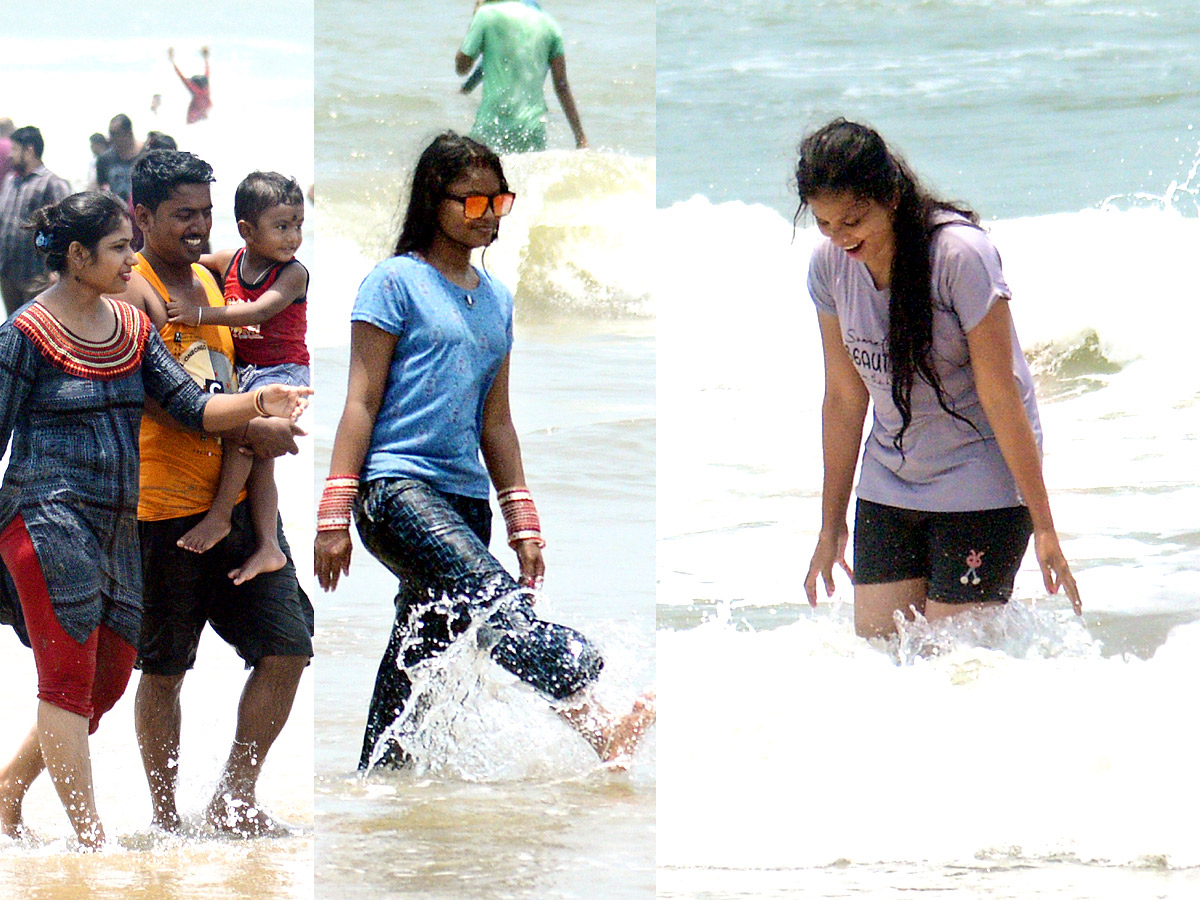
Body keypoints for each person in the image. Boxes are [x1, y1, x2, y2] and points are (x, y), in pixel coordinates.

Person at [315, 132, 652, 772]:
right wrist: (334, 514)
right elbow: (360, 402)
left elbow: (496, 421)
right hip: (397, 493)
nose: (490, 214)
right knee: (495, 604)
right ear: (434, 202)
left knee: (417, 667)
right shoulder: (393, 283)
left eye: (499, 200)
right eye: (473, 202)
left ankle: (377, 785)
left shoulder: (496, 298)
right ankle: (598, 719)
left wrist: (523, 520)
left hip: (467, 504)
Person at [0, 191, 309, 849]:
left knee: (108, 680)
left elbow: (193, 409)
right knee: (65, 681)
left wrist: (259, 401)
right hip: (42, 521)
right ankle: (91, 844)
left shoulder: (132, 328)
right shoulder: (24, 335)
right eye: (117, 247)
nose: (130, 258)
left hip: (115, 527)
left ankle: (5, 791)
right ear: (77, 256)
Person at [796, 119, 1082, 639]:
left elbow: (1002, 391)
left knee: (958, 673)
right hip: (889, 487)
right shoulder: (828, 268)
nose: (840, 238)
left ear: (890, 196)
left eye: (853, 220)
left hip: (981, 488)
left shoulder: (959, 256)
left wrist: (1044, 524)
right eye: (824, 223)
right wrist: (830, 522)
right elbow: (843, 398)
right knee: (881, 670)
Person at [121, 150, 315, 835]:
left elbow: (235, 355)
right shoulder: (134, 291)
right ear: (142, 217)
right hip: (163, 511)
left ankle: (235, 801)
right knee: (166, 669)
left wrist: (258, 423)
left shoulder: (210, 278)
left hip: (229, 500)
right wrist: (258, 417)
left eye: (206, 212)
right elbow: (171, 400)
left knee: (288, 644)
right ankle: (167, 817)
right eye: (183, 215)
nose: (200, 226)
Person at [164, 171, 309, 585]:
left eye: (298, 224)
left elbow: (258, 312)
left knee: (247, 441)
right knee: (259, 457)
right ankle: (268, 546)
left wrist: (199, 315)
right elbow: (192, 262)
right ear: (246, 230)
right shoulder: (231, 261)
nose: (293, 237)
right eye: (282, 227)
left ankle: (222, 516)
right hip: (246, 370)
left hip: (283, 372)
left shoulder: (292, 274)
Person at [455, 0, 588, 153]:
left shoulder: (486, 15)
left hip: (492, 127)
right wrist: (580, 137)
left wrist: (475, 31)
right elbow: (562, 85)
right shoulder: (551, 25)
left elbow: (462, 68)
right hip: (532, 130)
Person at [0, 126, 71, 315]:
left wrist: (56, 269)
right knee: (12, 327)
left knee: (36, 327)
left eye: (15, 150)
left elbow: (63, 227)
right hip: (8, 273)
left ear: (29, 150)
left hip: (37, 275)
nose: (10, 156)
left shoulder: (51, 183)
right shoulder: (10, 181)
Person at [95, 114, 143, 204]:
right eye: (110, 134)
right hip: (119, 212)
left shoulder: (146, 154)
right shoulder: (104, 160)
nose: (111, 139)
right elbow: (101, 188)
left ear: (129, 133)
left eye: (115, 134)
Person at [168, 46, 212, 125]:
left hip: (195, 112)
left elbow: (181, 76)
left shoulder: (194, 88)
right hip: (204, 109)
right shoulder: (206, 85)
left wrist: (172, 61)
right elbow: (207, 71)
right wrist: (206, 58)